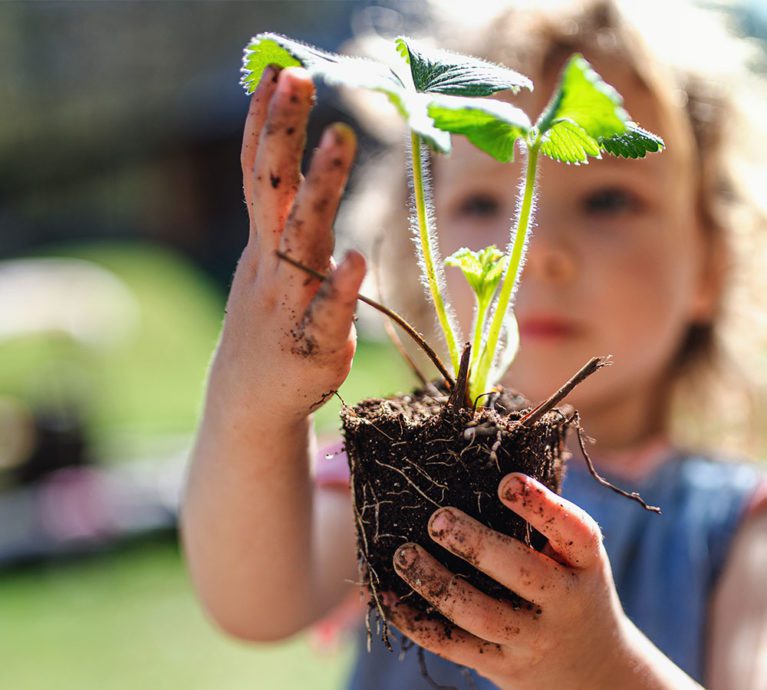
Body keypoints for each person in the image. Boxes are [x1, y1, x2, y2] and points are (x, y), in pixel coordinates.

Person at [181, 1, 767, 688]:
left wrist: (594, 664)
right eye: (483, 204)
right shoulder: (395, 462)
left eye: (608, 200)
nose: (539, 251)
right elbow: (252, 601)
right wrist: (253, 405)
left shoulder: (738, 530)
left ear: (712, 261)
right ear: (415, 243)